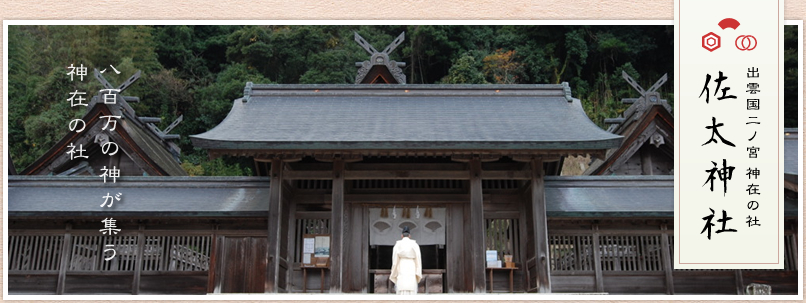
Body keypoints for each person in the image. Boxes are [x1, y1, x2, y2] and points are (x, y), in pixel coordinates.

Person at [389, 226, 422, 295]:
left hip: (402, 264)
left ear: (402, 236)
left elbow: (395, 260)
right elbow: (418, 259)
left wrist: (394, 272)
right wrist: (418, 271)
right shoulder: (414, 245)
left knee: (401, 284)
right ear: (409, 236)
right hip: (411, 265)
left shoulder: (398, 245)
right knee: (411, 284)